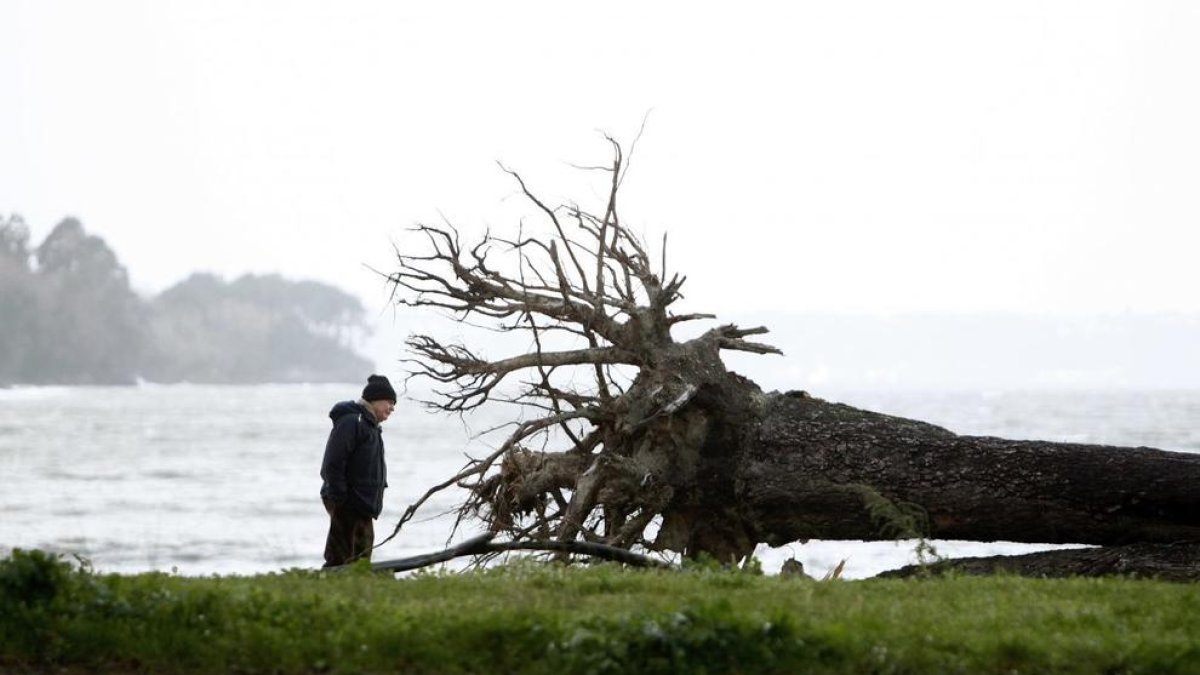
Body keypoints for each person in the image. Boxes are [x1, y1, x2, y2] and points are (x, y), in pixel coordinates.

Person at [319, 374, 396, 567]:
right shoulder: (353, 421)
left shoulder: (371, 427)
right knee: (340, 555)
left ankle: (356, 588)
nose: (392, 408)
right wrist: (340, 495)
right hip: (347, 501)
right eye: (389, 402)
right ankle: (329, 587)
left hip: (363, 504)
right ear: (375, 399)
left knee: (361, 556)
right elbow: (332, 462)